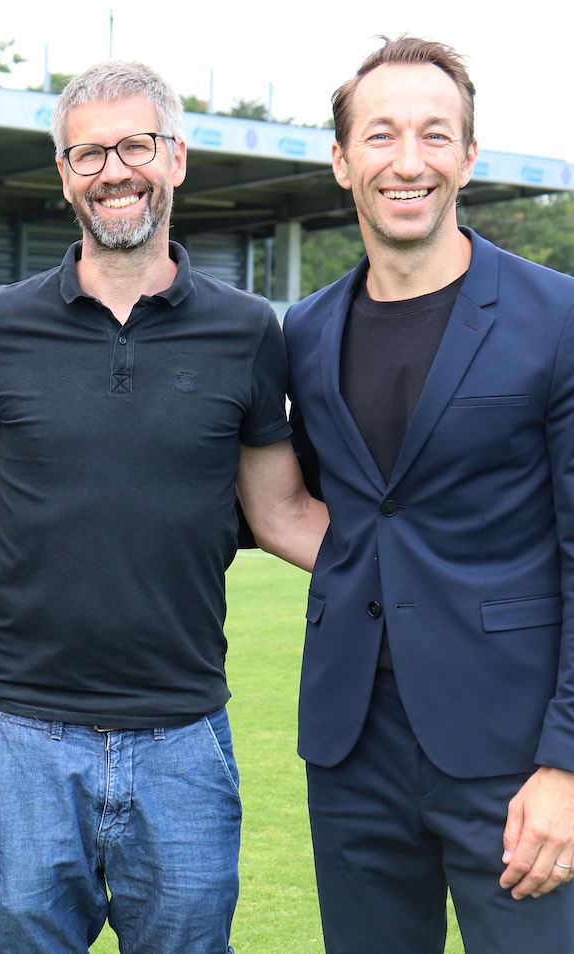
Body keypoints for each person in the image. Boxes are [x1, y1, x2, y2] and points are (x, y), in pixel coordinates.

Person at [0, 60, 326, 953]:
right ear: (64, 173)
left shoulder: (249, 330)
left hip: (184, 737)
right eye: (87, 152)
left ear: (176, 157)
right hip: (21, 735)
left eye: (135, 145)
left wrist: (437, 573)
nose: (113, 169)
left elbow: (283, 514)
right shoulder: (0, 322)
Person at [284, 36, 574, 953]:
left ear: (468, 156)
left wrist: (565, 767)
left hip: (514, 758)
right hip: (350, 747)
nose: (407, 161)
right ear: (341, 160)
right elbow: (322, 509)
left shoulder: (557, 318)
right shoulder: (305, 330)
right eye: (380, 136)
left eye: (434, 135)